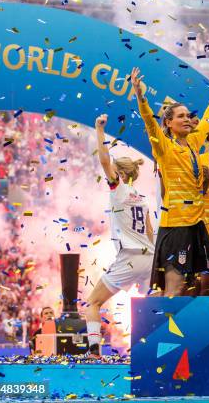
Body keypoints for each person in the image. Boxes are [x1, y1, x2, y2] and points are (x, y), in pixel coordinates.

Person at [130, 66, 209, 296]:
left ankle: (189, 330)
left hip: (197, 225)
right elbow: (149, 121)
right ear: (167, 123)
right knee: (174, 288)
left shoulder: (194, 142)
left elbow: (207, 119)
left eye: (188, 116)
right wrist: (140, 96)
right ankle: (165, 331)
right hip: (176, 226)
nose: (187, 119)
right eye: (181, 116)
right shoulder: (164, 148)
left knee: (194, 288)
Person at [85, 114, 154, 357]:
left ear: (121, 174)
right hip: (149, 259)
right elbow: (150, 233)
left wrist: (99, 130)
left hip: (130, 257)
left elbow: (104, 162)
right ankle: (151, 352)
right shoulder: (142, 199)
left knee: (92, 303)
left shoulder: (120, 190)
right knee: (150, 310)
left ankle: (94, 351)